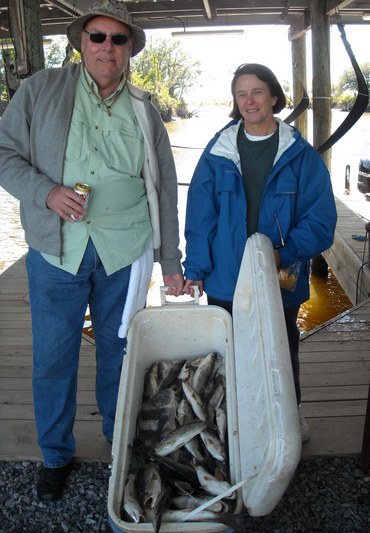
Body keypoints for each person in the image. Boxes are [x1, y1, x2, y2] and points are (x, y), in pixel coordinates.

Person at [0, 0, 183, 501]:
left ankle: (116, 438)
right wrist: (46, 192)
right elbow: (4, 154)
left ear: (129, 51)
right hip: (57, 251)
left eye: (118, 40)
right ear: (80, 42)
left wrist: (172, 264)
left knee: (120, 352)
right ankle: (55, 455)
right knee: (52, 357)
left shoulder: (146, 109)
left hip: (125, 251)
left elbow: (165, 188)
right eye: (98, 37)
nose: (107, 47)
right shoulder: (39, 92)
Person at [183, 63, 337, 442]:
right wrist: (196, 268)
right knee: (227, 356)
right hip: (224, 275)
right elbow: (200, 216)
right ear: (236, 102)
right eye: (241, 94)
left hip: (278, 277)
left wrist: (280, 256)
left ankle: (287, 421)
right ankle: (232, 426)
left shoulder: (301, 156)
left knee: (280, 353)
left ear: (273, 97)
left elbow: (320, 222)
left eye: (257, 92)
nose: (249, 101)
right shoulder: (217, 152)